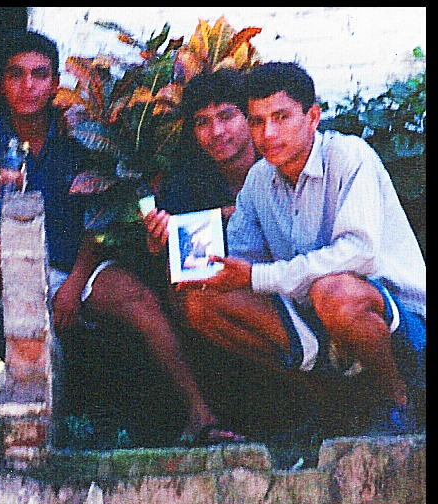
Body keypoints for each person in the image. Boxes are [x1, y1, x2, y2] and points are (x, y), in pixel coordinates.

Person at [0, 30, 240, 445]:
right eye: (16, 75)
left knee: (141, 302)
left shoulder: (78, 136)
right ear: (2, 84)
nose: (28, 86)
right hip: (14, 270)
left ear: (56, 82)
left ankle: (201, 416)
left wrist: (73, 285)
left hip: (78, 267)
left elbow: (103, 216)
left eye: (39, 75)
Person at [176, 62, 426, 435]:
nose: (268, 133)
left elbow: (360, 253)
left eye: (281, 117)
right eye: (257, 121)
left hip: (401, 322)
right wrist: (201, 264)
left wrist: (257, 276)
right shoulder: (259, 180)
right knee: (201, 301)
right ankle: (332, 402)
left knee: (333, 291)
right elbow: (246, 263)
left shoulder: (348, 155)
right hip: (321, 323)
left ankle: (398, 400)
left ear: (312, 117)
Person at [143, 69, 258, 252]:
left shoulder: (276, 164)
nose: (216, 131)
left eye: (226, 116)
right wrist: (159, 244)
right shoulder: (186, 181)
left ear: (249, 118)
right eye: (203, 122)